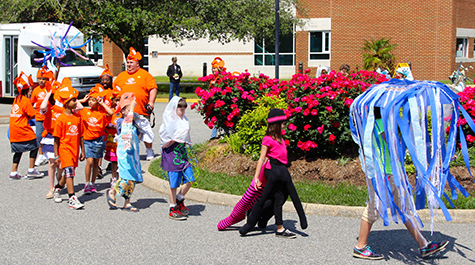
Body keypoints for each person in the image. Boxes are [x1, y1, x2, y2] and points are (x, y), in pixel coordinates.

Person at [352, 107, 448, 260]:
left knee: (405, 208)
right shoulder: (379, 123)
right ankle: (360, 247)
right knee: (374, 208)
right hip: (384, 173)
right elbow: (393, 144)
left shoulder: (373, 122)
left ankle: (424, 245)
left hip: (390, 171)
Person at [239, 109, 307, 238]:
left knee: (279, 198)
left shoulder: (281, 139)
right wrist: (256, 178)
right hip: (272, 172)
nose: (284, 125)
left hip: (282, 171)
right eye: (282, 123)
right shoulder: (267, 139)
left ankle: (261, 219)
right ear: (276, 125)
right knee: (269, 197)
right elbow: (261, 158)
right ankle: (276, 228)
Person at [113, 47, 157, 160]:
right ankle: (130, 152)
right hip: (125, 112)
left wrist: (151, 102)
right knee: (128, 133)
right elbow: (115, 92)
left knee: (145, 131)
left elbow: (153, 88)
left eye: (131, 62)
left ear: (137, 63)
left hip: (141, 110)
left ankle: (149, 151)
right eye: (127, 62)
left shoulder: (145, 75)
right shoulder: (121, 76)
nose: (128, 65)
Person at [159, 96, 195, 220]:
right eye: (180, 109)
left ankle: (180, 199)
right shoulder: (168, 121)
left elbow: (185, 135)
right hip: (172, 154)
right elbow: (165, 138)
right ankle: (173, 207)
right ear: (174, 108)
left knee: (190, 179)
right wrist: (172, 141)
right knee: (173, 184)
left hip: (182, 153)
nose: (182, 111)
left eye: (184, 109)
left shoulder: (184, 120)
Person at [52, 79, 85, 209]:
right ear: (66, 103)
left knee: (68, 174)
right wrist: (56, 155)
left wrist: (83, 151)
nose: (76, 102)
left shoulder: (77, 118)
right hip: (64, 150)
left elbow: (81, 135)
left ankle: (58, 189)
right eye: (73, 100)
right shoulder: (61, 119)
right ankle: (72, 198)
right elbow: (56, 139)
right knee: (70, 172)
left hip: (74, 150)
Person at [106, 92, 143, 212]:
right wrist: (131, 108)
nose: (130, 111)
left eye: (130, 108)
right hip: (124, 153)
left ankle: (127, 202)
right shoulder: (121, 121)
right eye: (126, 109)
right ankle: (112, 191)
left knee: (132, 178)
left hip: (133, 152)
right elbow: (126, 128)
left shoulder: (133, 121)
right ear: (122, 111)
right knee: (125, 176)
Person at [78, 84, 113, 194]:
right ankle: (87, 183)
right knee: (89, 162)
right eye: (90, 100)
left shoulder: (101, 113)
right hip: (88, 140)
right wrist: (83, 100)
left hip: (99, 140)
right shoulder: (84, 111)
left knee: (96, 163)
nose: (90, 102)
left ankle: (93, 182)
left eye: (93, 100)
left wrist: (102, 103)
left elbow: (111, 113)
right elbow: (72, 105)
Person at [9, 72, 44, 180]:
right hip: (22, 129)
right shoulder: (26, 101)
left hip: (13, 130)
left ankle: (14, 172)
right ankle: (31, 170)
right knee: (35, 145)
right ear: (27, 90)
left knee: (18, 150)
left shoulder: (16, 100)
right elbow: (31, 114)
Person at [39, 82, 64, 199]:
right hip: (50, 137)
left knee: (61, 165)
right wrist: (48, 93)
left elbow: (78, 108)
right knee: (51, 163)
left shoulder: (65, 107)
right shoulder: (49, 108)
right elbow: (42, 107)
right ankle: (51, 189)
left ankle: (58, 184)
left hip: (63, 138)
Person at [31, 66, 51, 167]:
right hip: (39, 118)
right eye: (40, 79)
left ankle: (51, 154)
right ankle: (41, 155)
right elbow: (31, 103)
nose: (41, 81)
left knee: (51, 136)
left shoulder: (49, 89)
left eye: (44, 79)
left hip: (49, 118)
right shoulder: (36, 91)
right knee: (39, 137)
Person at [98, 64, 114, 176]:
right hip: (99, 121)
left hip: (110, 122)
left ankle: (111, 163)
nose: (104, 81)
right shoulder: (96, 90)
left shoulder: (113, 92)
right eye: (103, 79)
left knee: (110, 144)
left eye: (107, 79)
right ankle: (98, 166)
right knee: (100, 145)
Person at [210, 57, 227, 140]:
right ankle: (213, 137)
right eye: (213, 69)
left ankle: (225, 135)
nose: (213, 70)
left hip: (221, 102)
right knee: (216, 119)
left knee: (221, 118)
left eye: (215, 69)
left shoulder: (221, 78)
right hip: (215, 102)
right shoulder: (213, 78)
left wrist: (215, 83)